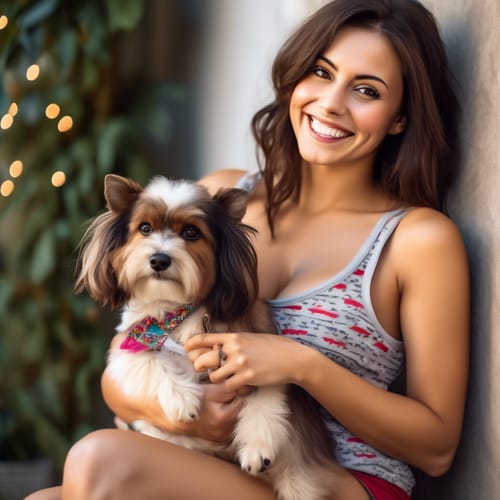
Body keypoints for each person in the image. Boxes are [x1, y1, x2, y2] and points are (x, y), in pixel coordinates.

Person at [27, 0, 469, 498]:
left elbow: (437, 447)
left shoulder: (417, 240)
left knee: (98, 460)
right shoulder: (217, 202)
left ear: (399, 119)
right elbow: (129, 354)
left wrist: (302, 364)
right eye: (322, 73)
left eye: (366, 90)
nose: (331, 103)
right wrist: (186, 418)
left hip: (328, 481)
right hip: (212, 462)